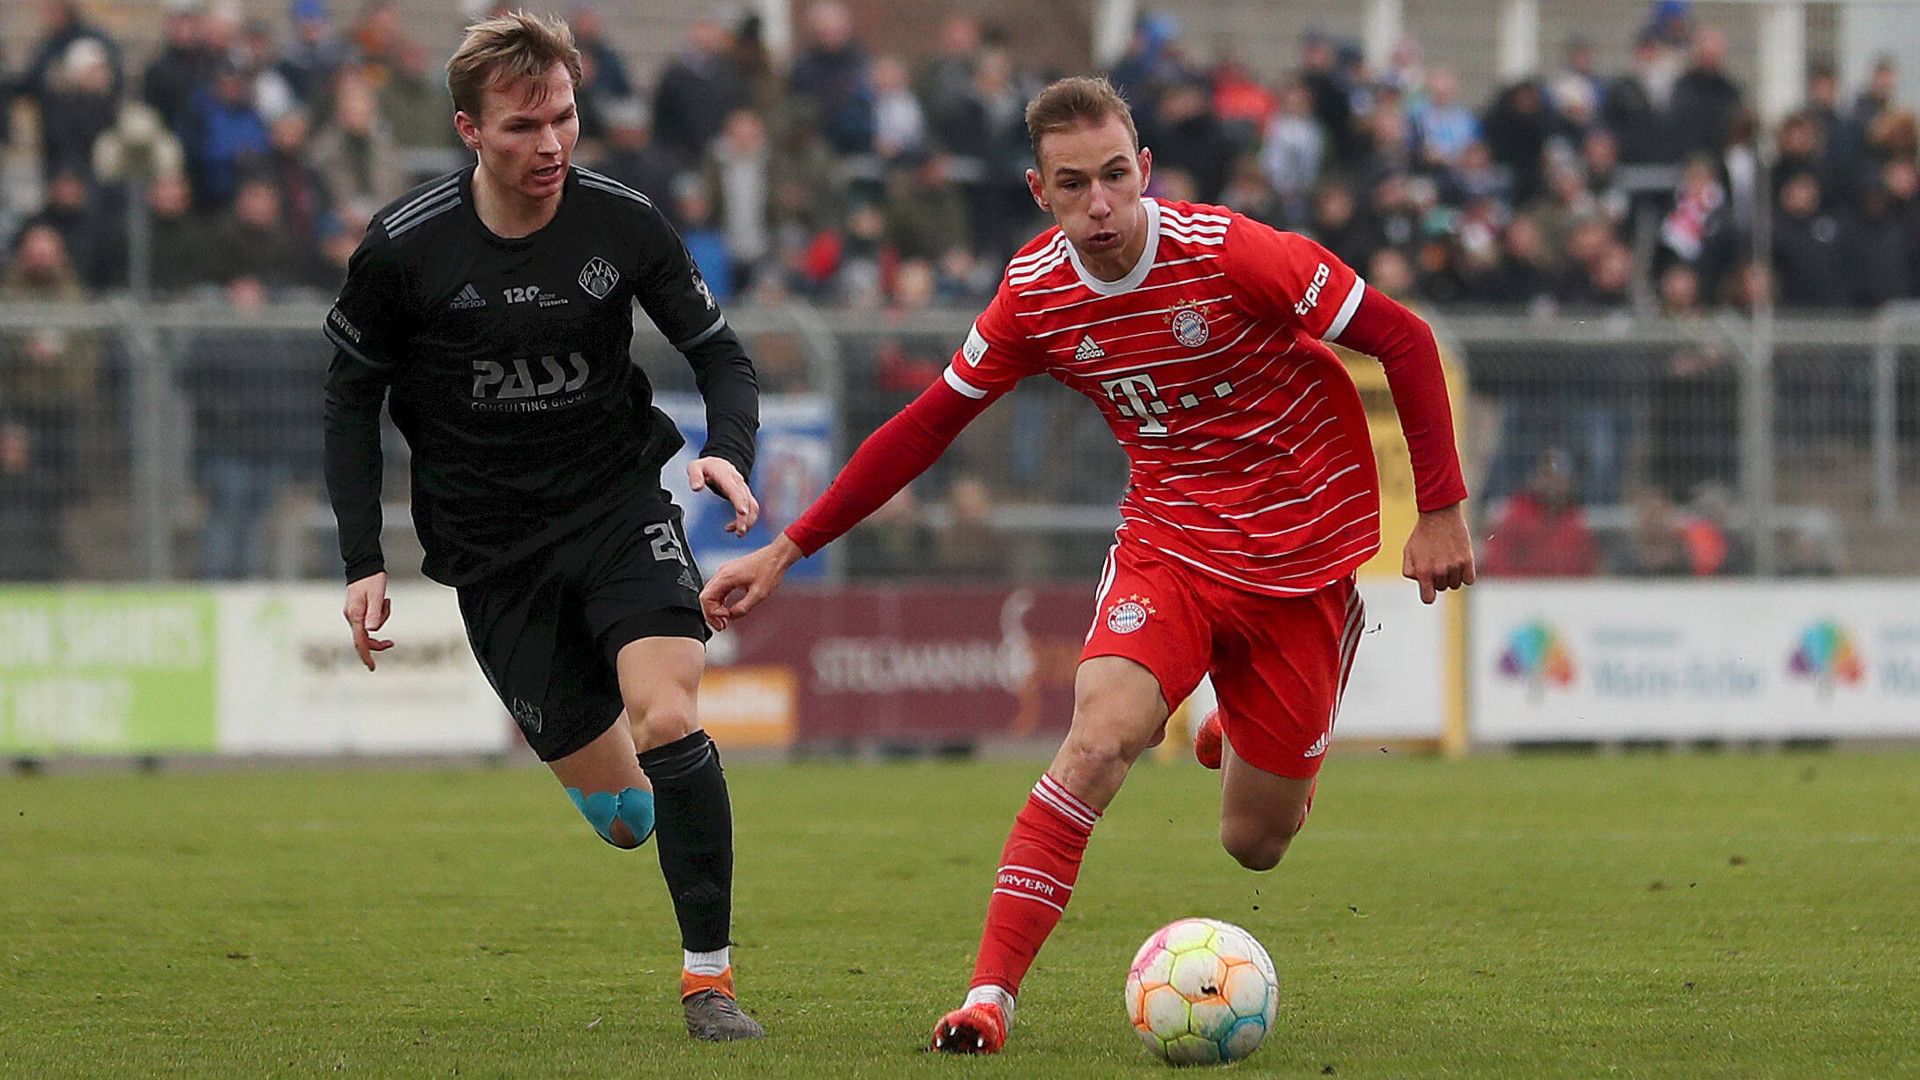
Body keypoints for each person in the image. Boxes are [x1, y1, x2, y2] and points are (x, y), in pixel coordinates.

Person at [699, 76, 1473, 1054]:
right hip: (1172, 546)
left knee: (1255, 842)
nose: (1100, 203)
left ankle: (1240, 733)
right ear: (1041, 192)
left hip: (1299, 556)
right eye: (1075, 185)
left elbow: (1401, 336)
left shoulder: (1236, 255)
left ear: (1145, 169)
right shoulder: (1036, 295)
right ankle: (988, 998)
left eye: (1116, 176)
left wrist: (1441, 510)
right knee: (1098, 743)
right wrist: (788, 546)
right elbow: (928, 423)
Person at [321, 12, 766, 1041]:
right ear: (470, 129)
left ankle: (710, 981)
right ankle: (643, 795)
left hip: (617, 508)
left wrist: (726, 451)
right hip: (491, 554)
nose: (553, 144)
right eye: (525, 126)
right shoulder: (403, 250)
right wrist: (361, 556)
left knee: (670, 717)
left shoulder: (622, 224)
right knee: (625, 819)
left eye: (564, 117)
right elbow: (347, 401)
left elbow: (723, 355)